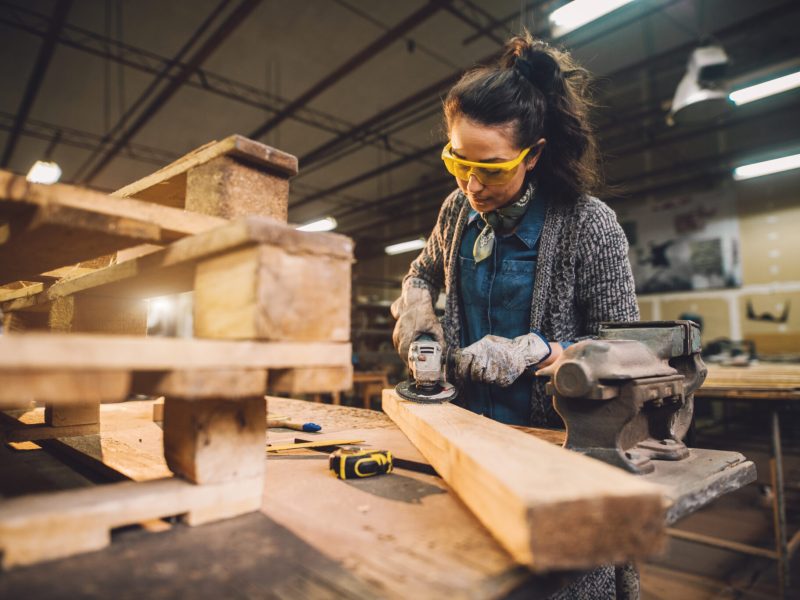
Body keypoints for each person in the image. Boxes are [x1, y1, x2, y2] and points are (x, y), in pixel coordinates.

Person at [390, 33, 640, 599]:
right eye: (458, 161)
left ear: (533, 154)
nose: (472, 185)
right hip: (461, 445)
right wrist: (416, 301)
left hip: (551, 458)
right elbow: (422, 270)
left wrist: (542, 352)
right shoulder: (457, 210)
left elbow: (629, 351)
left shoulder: (588, 225)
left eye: (493, 169)